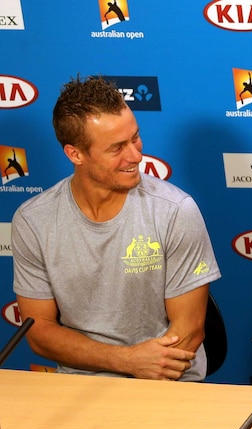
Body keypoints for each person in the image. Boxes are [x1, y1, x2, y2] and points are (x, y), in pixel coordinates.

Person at [11, 75, 221, 381]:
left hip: (167, 382)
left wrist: (140, 373)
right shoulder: (33, 220)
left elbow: (188, 333)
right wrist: (127, 361)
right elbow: (39, 332)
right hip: (80, 385)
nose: (136, 155)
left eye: (135, 137)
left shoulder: (175, 210)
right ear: (75, 154)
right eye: (116, 148)